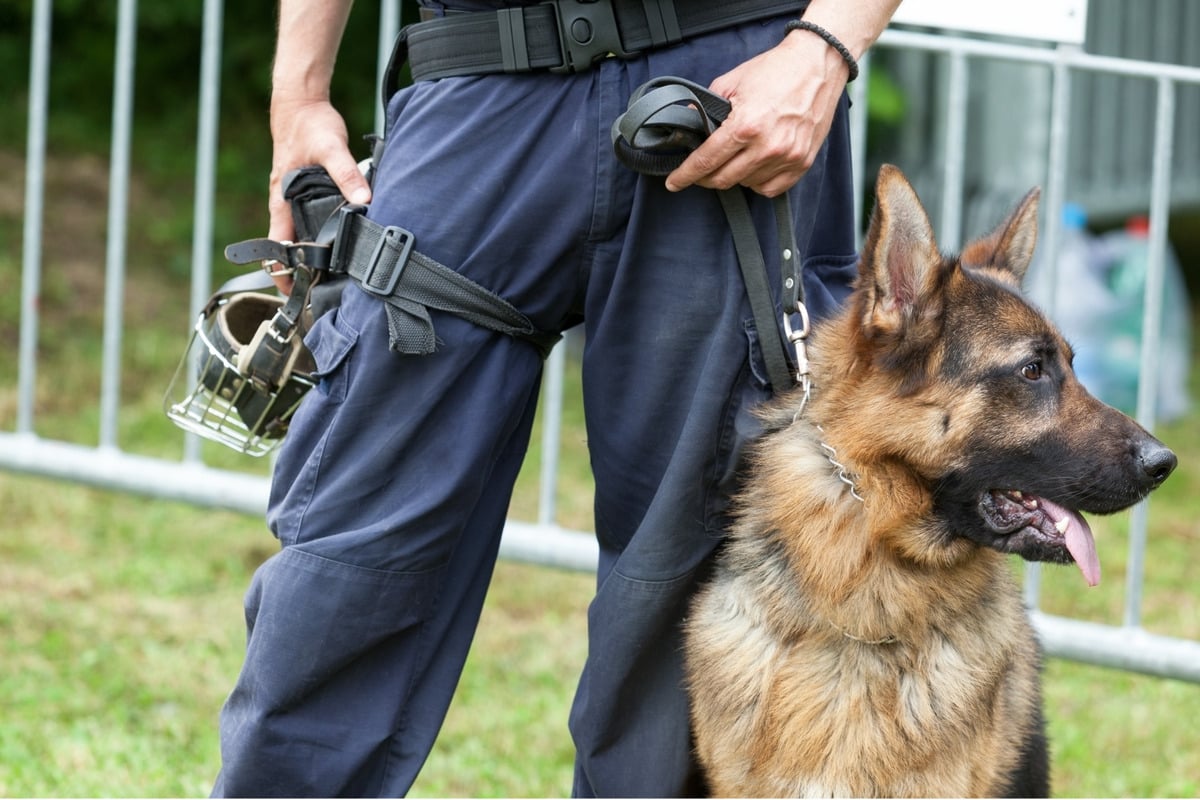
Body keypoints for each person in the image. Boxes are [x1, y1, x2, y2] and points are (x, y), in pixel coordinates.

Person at [213, 0, 902, 795]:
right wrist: (297, 96)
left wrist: (827, 46)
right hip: (475, 76)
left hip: (730, 86)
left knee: (692, 586)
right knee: (350, 554)